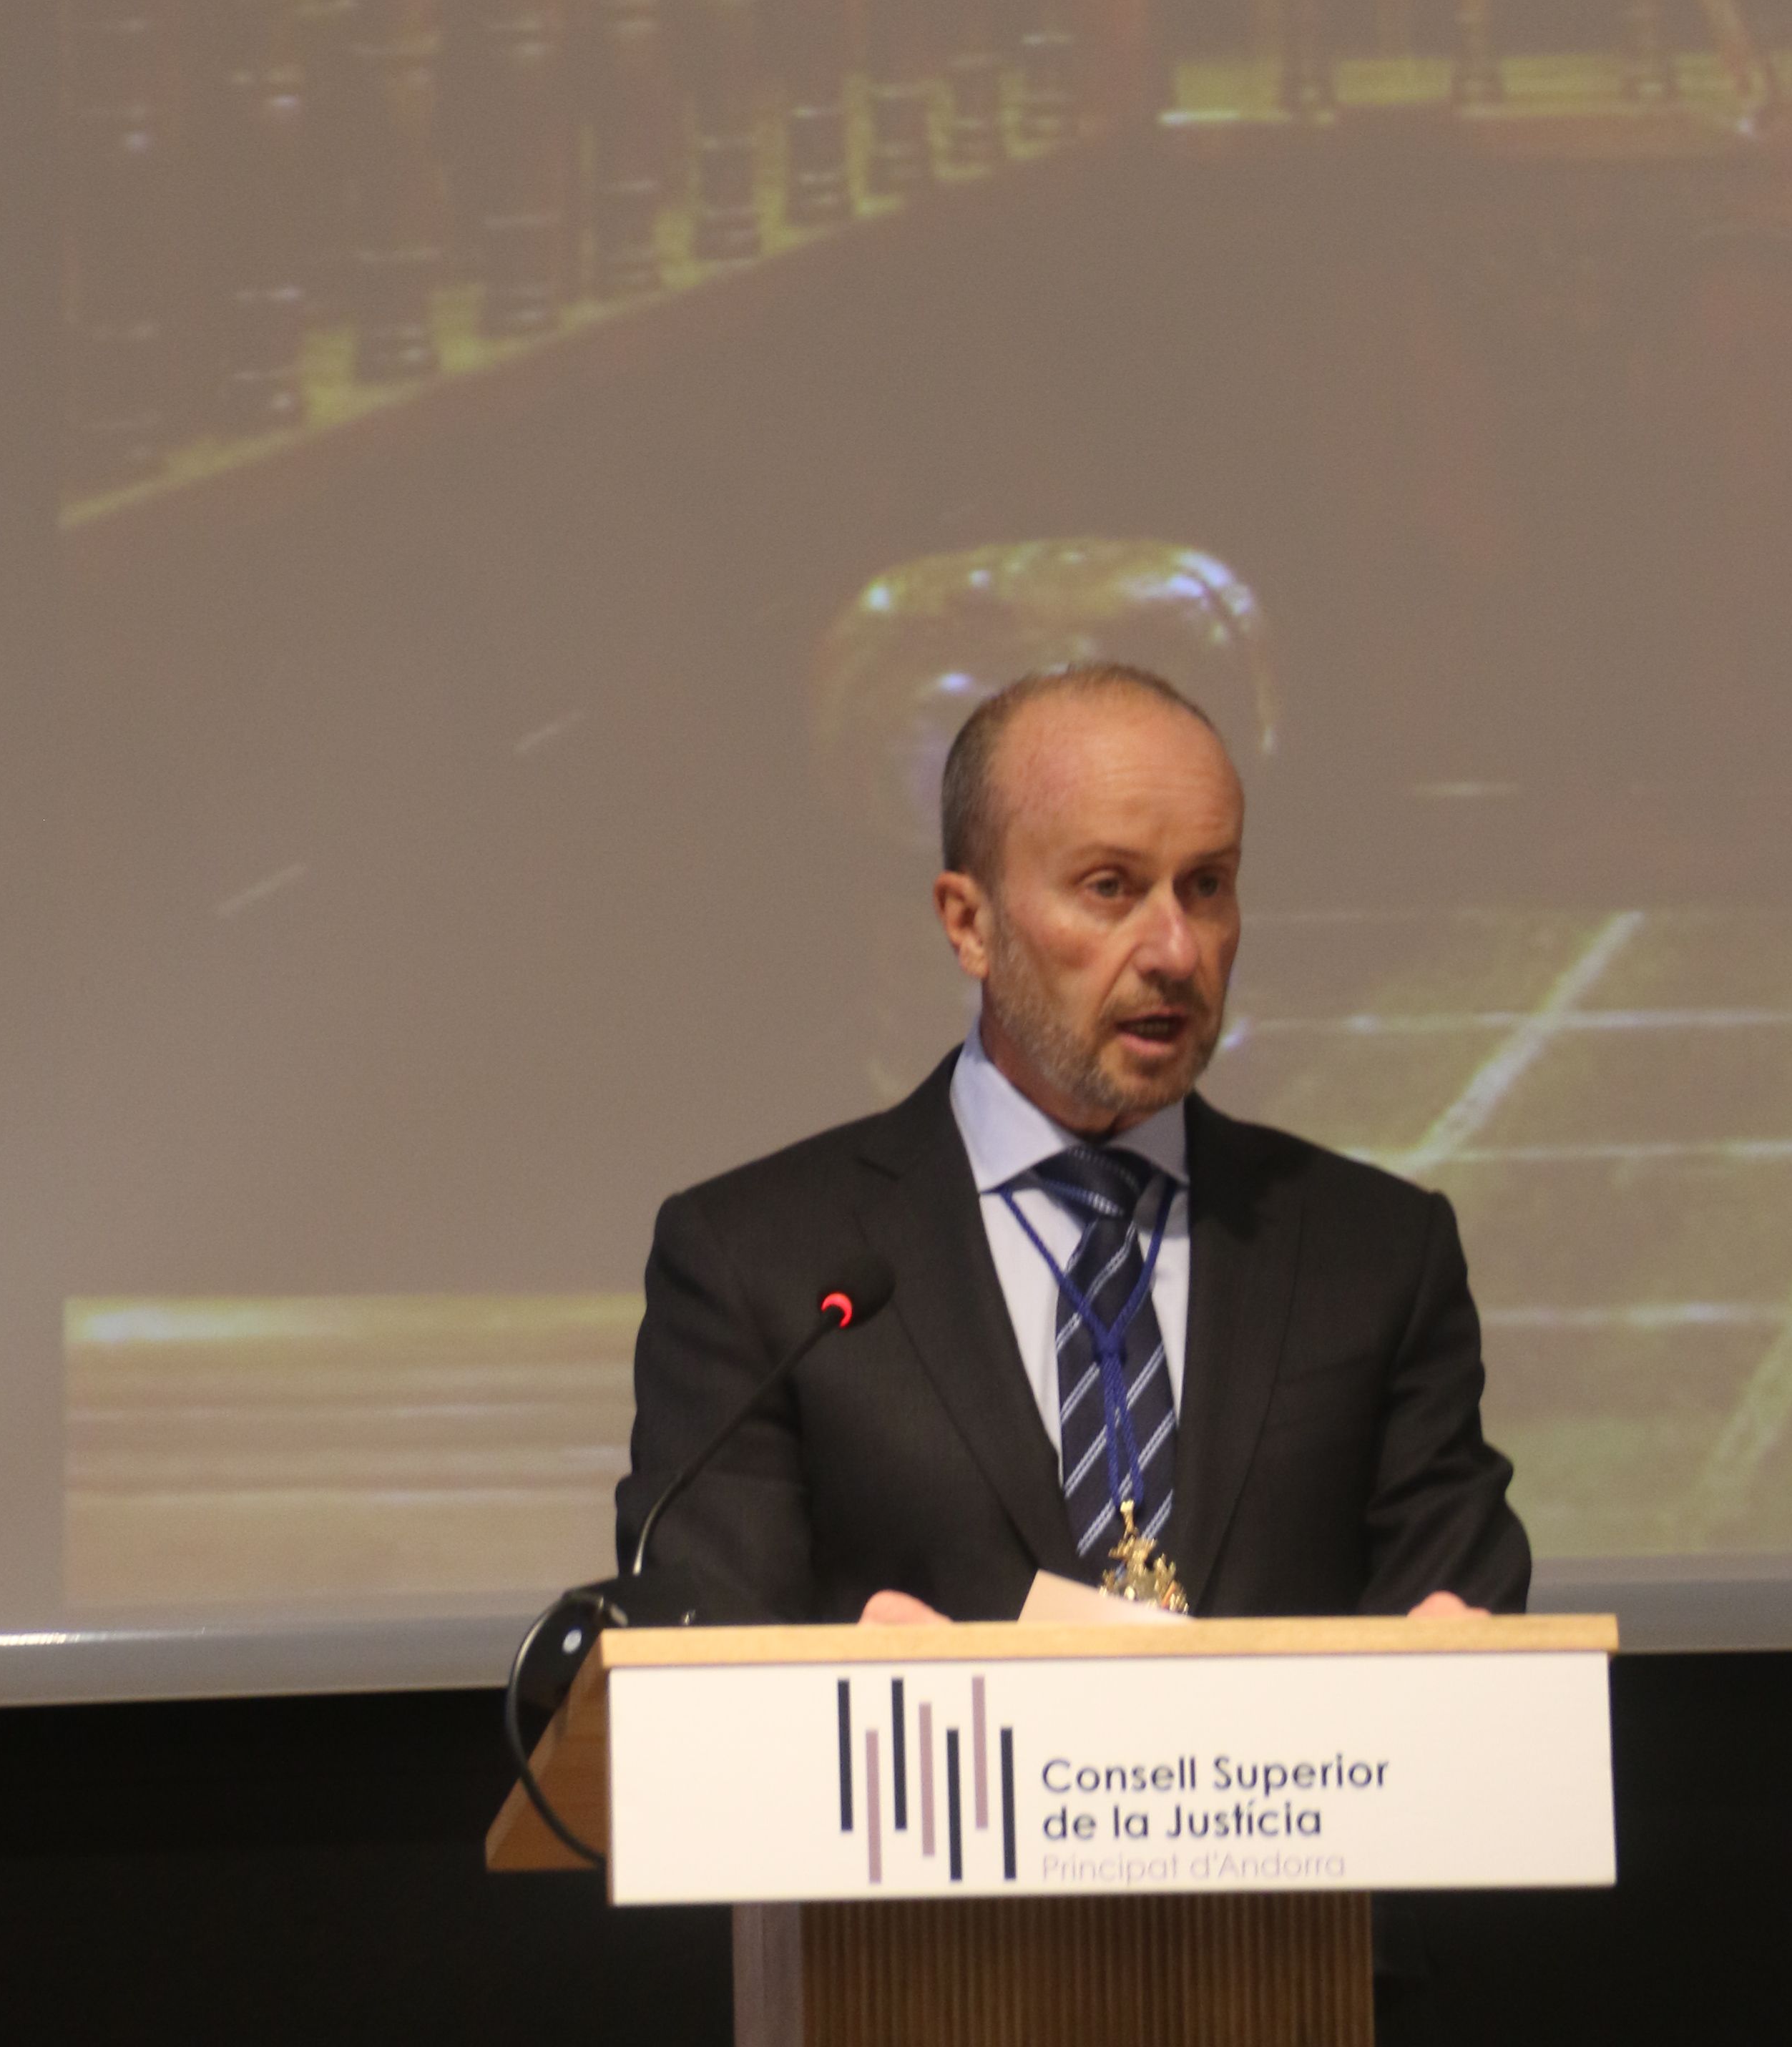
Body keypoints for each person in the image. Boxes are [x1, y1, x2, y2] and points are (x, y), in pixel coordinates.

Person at [615, 660, 1529, 1622]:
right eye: (1110, 888)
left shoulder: (1377, 1255)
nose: (1177, 950)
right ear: (970, 924)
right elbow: (708, 1663)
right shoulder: (762, 1268)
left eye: (1208, 886)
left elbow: (1467, 1620)